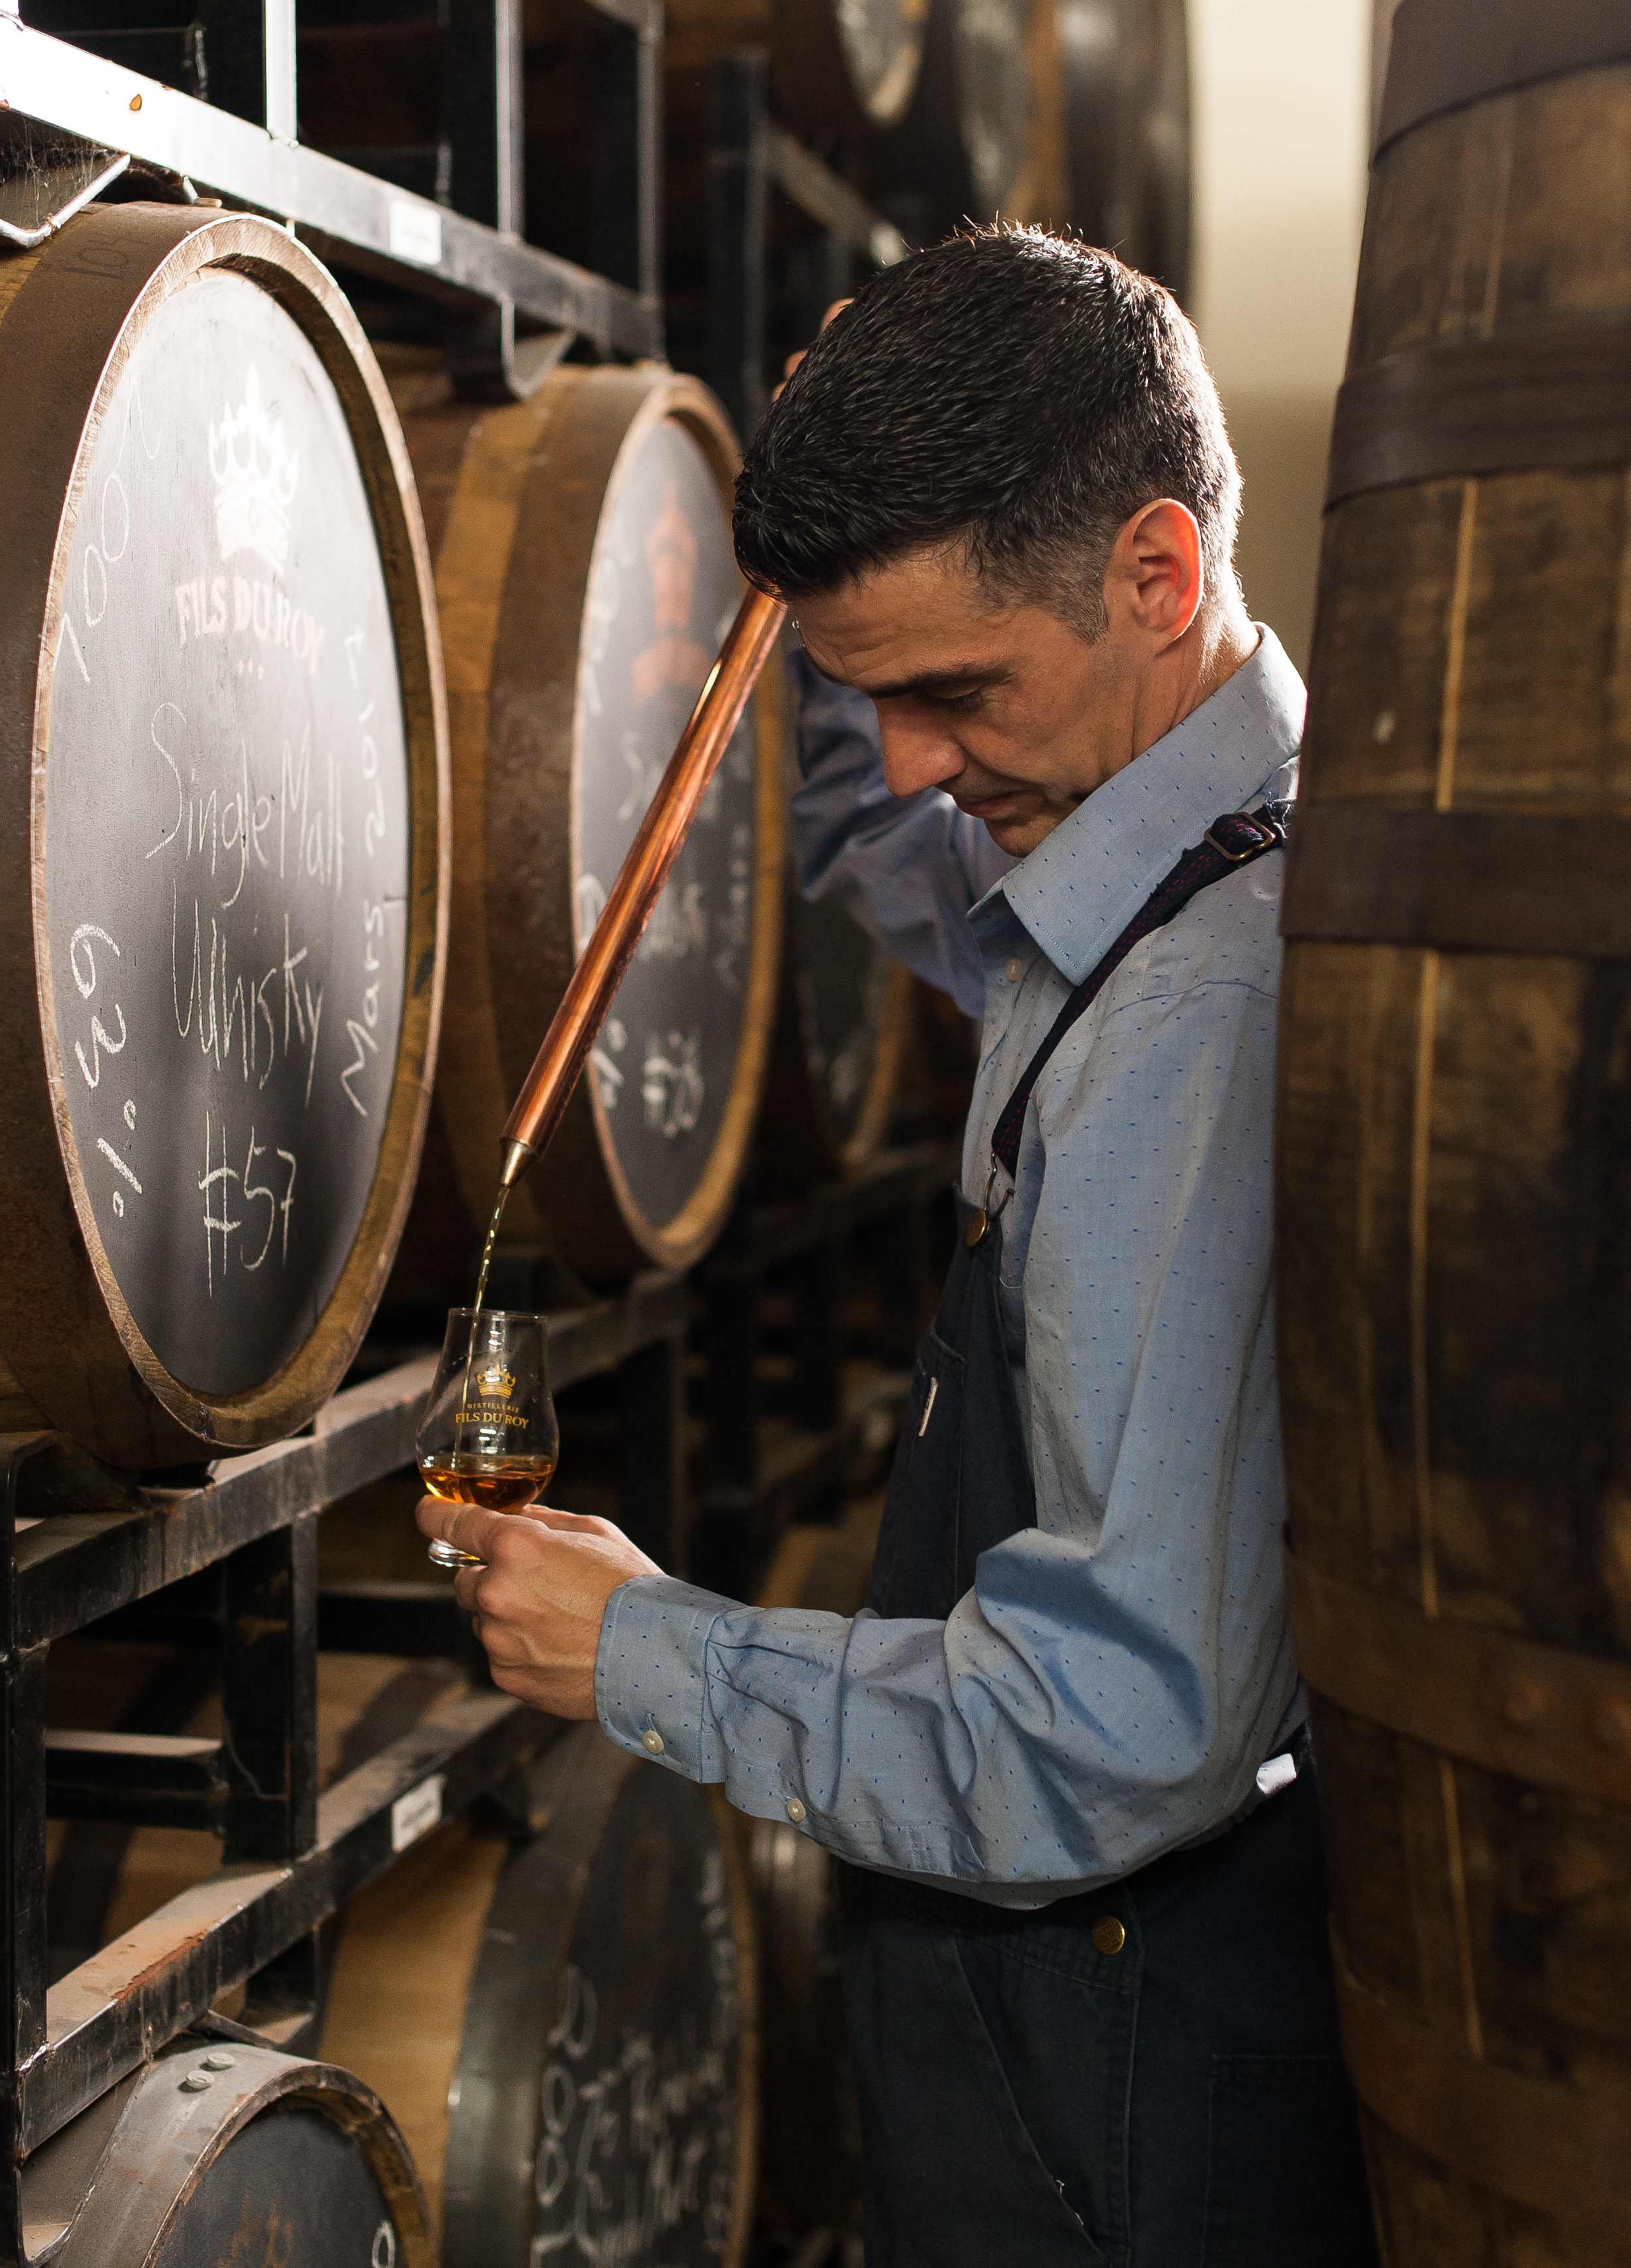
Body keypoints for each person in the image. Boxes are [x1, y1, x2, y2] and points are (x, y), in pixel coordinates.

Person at [416, 225, 1379, 2268]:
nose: (927, 762)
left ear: (1153, 571)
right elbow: (886, 819)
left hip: (1125, 2092)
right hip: (1067, 2043)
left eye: (958, 691)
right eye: (889, 694)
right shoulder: (1152, 848)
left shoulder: (1192, 1028)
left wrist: (646, 1647)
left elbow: (1113, 1729)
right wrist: (844, 468)